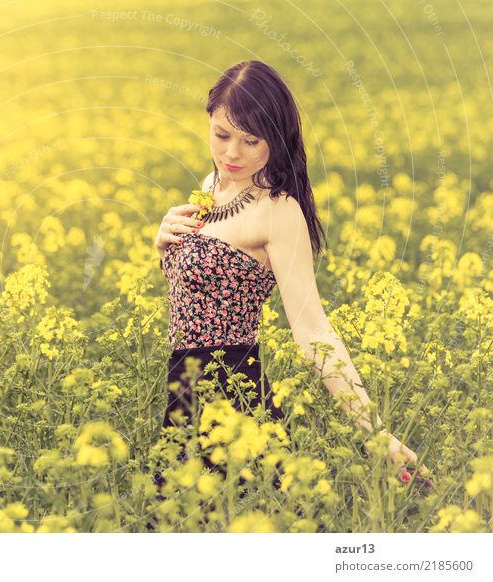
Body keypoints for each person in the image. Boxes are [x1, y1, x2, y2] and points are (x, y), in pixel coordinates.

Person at [152, 60, 431, 496]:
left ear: (275, 140)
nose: (231, 154)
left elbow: (313, 329)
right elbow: (203, 287)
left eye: (250, 140)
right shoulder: (211, 186)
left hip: (234, 399)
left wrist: (374, 430)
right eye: (221, 135)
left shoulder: (277, 212)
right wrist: (163, 242)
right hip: (181, 394)